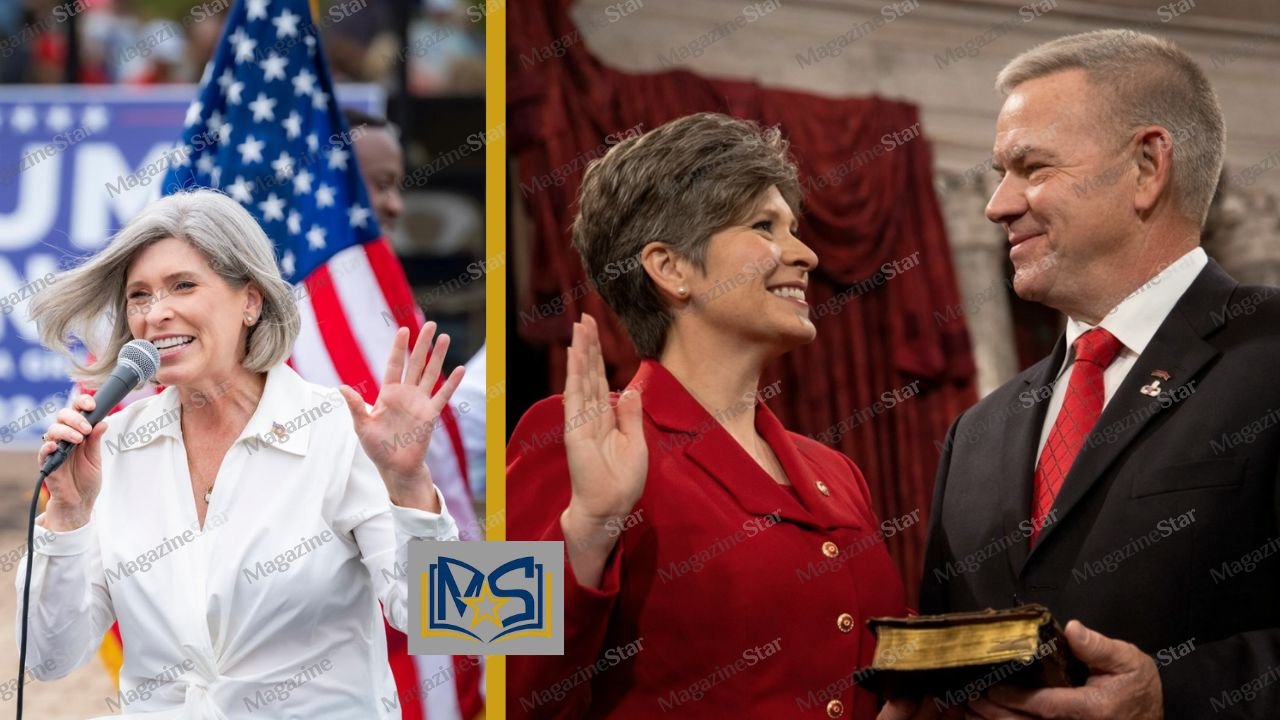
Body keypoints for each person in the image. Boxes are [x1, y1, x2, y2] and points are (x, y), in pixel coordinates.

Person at [882, 30, 1280, 720]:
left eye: (1032, 167)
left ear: (1147, 166)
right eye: (1000, 172)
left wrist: (1169, 698)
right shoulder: (977, 433)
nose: (997, 204)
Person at [507, 112, 907, 719]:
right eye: (764, 226)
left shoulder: (838, 472)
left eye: (794, 229)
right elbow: (466, 676)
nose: (805, 254)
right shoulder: (566, 435)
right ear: (670, 268)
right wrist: (589, 531)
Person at [21, 189, 465, 718]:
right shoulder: (109, 449)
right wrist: (68, 515)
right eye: (139, 296)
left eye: (183, 285)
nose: (156, 313)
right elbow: (49, 659)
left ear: (251, 301)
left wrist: (408, 484)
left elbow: (442, 618)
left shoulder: (339, 431)